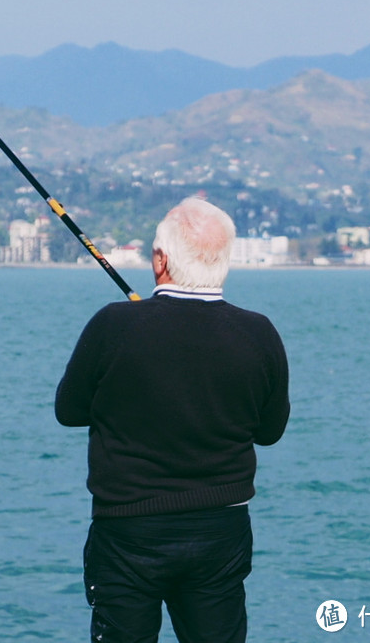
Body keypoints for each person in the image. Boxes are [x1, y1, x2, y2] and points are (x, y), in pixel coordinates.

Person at [55, 197, 290, 643]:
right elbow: (270, 432)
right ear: (223, 262)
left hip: (128, 530)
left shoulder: (113, 325)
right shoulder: (259, 332)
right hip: (221, 530)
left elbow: (69, 411)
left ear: (160, 260)